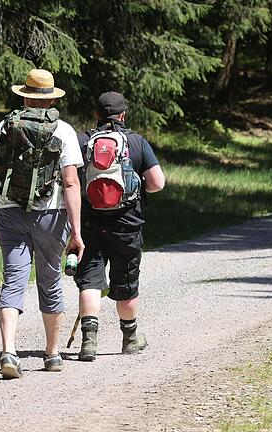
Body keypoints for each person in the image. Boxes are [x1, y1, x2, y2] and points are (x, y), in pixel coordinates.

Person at [0, 69, 84, 379]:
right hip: (52, 215)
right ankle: (52, 354)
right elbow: (72, 183)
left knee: (13, 281)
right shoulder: (63, 130)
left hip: (10, 214)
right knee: (49, 281)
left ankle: (9, 351)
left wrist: (8, 191)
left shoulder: (3, 127)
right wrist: (76, 231)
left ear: (24, 95)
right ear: (50, 98)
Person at [75, 91, 165, 361]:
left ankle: (89, 342)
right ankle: (129, 338)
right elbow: (157, 183)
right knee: (126, 281)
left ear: (97, 115)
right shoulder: (136, 142)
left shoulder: (82, 141)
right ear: (123, 115)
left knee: (90, 280)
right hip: (127, 223)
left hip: (90, 222)